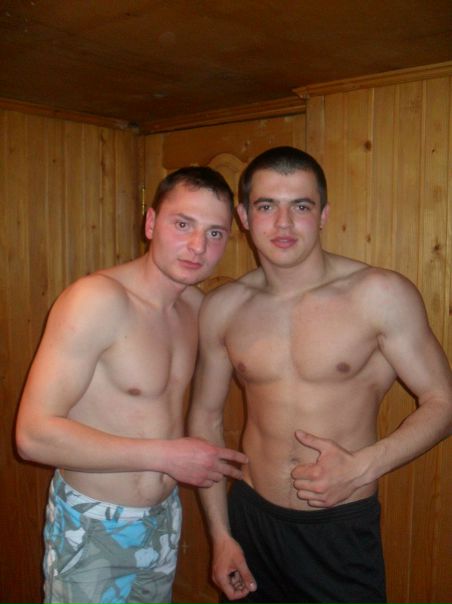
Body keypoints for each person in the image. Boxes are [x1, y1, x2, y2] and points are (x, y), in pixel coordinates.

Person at [188, 146, 452, 604]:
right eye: (266, 206)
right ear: (244, 217)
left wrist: (362, 466)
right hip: (250, 519)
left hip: (338, 528)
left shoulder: (378, 295)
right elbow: (205, 419)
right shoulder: (223, 307)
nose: (283, 224)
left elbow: (443, 403)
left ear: (324, 214)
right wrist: (221, 535)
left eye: (301, 206)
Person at [15, 166, 248, 604]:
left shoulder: (197, 309)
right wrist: (165, 456)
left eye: (215, 233)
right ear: (151, 222)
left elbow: (204, 426)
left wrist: (222, 537)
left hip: (163, 520)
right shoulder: (96, 300)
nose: (198, 246)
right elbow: (32, 436)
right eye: (183, 224)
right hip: (94, 525)